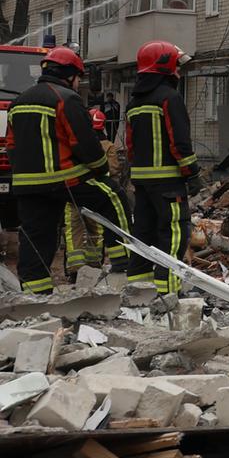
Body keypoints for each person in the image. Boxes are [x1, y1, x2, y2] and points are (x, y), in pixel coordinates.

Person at [8, 48, 132, 295]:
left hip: (27, 185)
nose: (78, 82)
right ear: (70, 75)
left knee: (36, 237)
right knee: (114, 197)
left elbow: (11, 145)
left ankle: (36, 294)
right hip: (65, 178)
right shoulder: (66, 98)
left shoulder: (17, 102)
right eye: (78, 77)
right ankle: (124, 261)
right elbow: (84, 144)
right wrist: (101, 169)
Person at [124, 41, 200, 295]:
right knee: (174, 235)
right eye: (176, 67)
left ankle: (138, 293)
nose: (178, 72)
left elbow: (130, 145)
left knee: (143, 234)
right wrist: (192, 173)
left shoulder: (134, 103)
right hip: (168, 182)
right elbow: (179, 141)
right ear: (166, 67)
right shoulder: (169, 98)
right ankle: (168, 295)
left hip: (142, 183)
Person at [63, 107, 127, 275]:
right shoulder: (108, 145)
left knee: (73, 229)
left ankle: (75, 268)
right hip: (99, 194)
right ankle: (93, 266)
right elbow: (114, 169)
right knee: (96, 229)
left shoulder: (77, 142)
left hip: (75, 190)